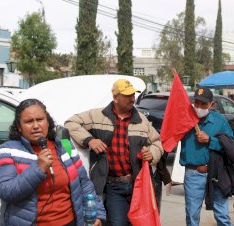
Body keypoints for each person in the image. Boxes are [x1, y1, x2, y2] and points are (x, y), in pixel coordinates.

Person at [64, 79, 163, 226]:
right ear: (115, 97)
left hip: (138, 185)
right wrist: (89, 140)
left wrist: (152, 154)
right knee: (117, 223)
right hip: (113, 187)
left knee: (141, 223)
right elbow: (70, 123)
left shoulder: (141, 120)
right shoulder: (97, 115)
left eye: (133, 95)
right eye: (127, 95)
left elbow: (158, 142)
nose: (132, 99)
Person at [0, 98, 106, 226]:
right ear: (19, 127)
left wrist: (98, 213)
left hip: (70, 222)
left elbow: (84, 184)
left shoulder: (64, 147)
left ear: (48, 122)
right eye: (29, 121)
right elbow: (5, 191)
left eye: (40, 120)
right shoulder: (9, 151)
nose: (36, 126)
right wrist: (38, 168)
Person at [180, 87, 234, 226]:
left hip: (216, 173)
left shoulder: (220, 121)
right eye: (196, 103)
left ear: (211, 104)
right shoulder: (185, 120)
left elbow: (231, 148)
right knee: (192, 215)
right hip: (193, 174)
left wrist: (211, 140)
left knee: (222, 215)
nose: (199, 107)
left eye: (203, 104)